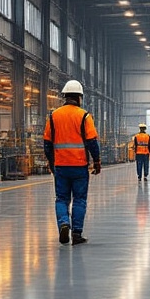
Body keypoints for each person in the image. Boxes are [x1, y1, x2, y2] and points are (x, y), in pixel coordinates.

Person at [43, 79, 102, 245]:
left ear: (65, 96)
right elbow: (92, 142)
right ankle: (76, 233)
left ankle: (63, 223)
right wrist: (96, 161)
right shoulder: (84, 116)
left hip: (61, 166)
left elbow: (47, 144)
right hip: (79, 166)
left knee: (61, 199)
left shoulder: (53, 116)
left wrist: (51, 162)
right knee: (79, 199)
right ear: (79, 97)